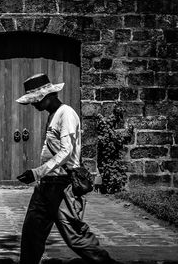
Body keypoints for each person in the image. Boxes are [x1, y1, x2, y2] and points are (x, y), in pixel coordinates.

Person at [16, 73, 117, 264]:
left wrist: (37, 171)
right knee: (32, 233)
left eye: (35, 101)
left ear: (47, 96)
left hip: (62, 185)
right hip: (46, 185)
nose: (33, 105)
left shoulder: (66, 113)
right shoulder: (53, 115)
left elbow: (67, 152)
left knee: (75, 236)